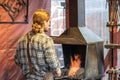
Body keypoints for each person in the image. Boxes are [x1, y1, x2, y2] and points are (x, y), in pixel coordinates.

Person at [14, 9, 61, 80]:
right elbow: (53, 63)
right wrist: (58, 71)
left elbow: (17, 60)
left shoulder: (21, 40)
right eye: (49, 22)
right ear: (44, 22)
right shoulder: (46, 40)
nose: (49, 24)